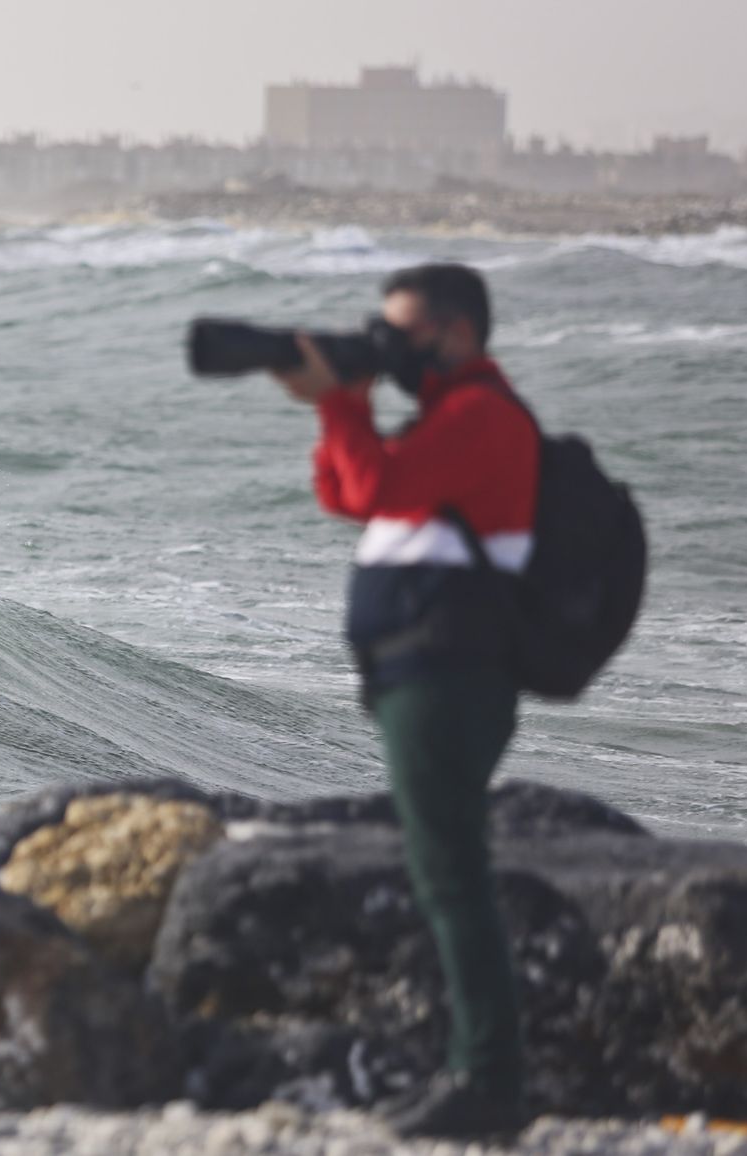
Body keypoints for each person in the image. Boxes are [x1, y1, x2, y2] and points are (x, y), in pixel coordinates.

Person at [275, 263, 537, 1140]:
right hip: (422, 678)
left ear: (458, 334)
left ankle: (488, 1081)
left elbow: (380, 485)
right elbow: (348, 493)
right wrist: (338, 406)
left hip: (451, 680)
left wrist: (338, 405)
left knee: (451, 873)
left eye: (402, 332)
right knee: (445, 869)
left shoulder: (483, 417)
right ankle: (476, 1067)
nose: (389, 348)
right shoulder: (450, 419)